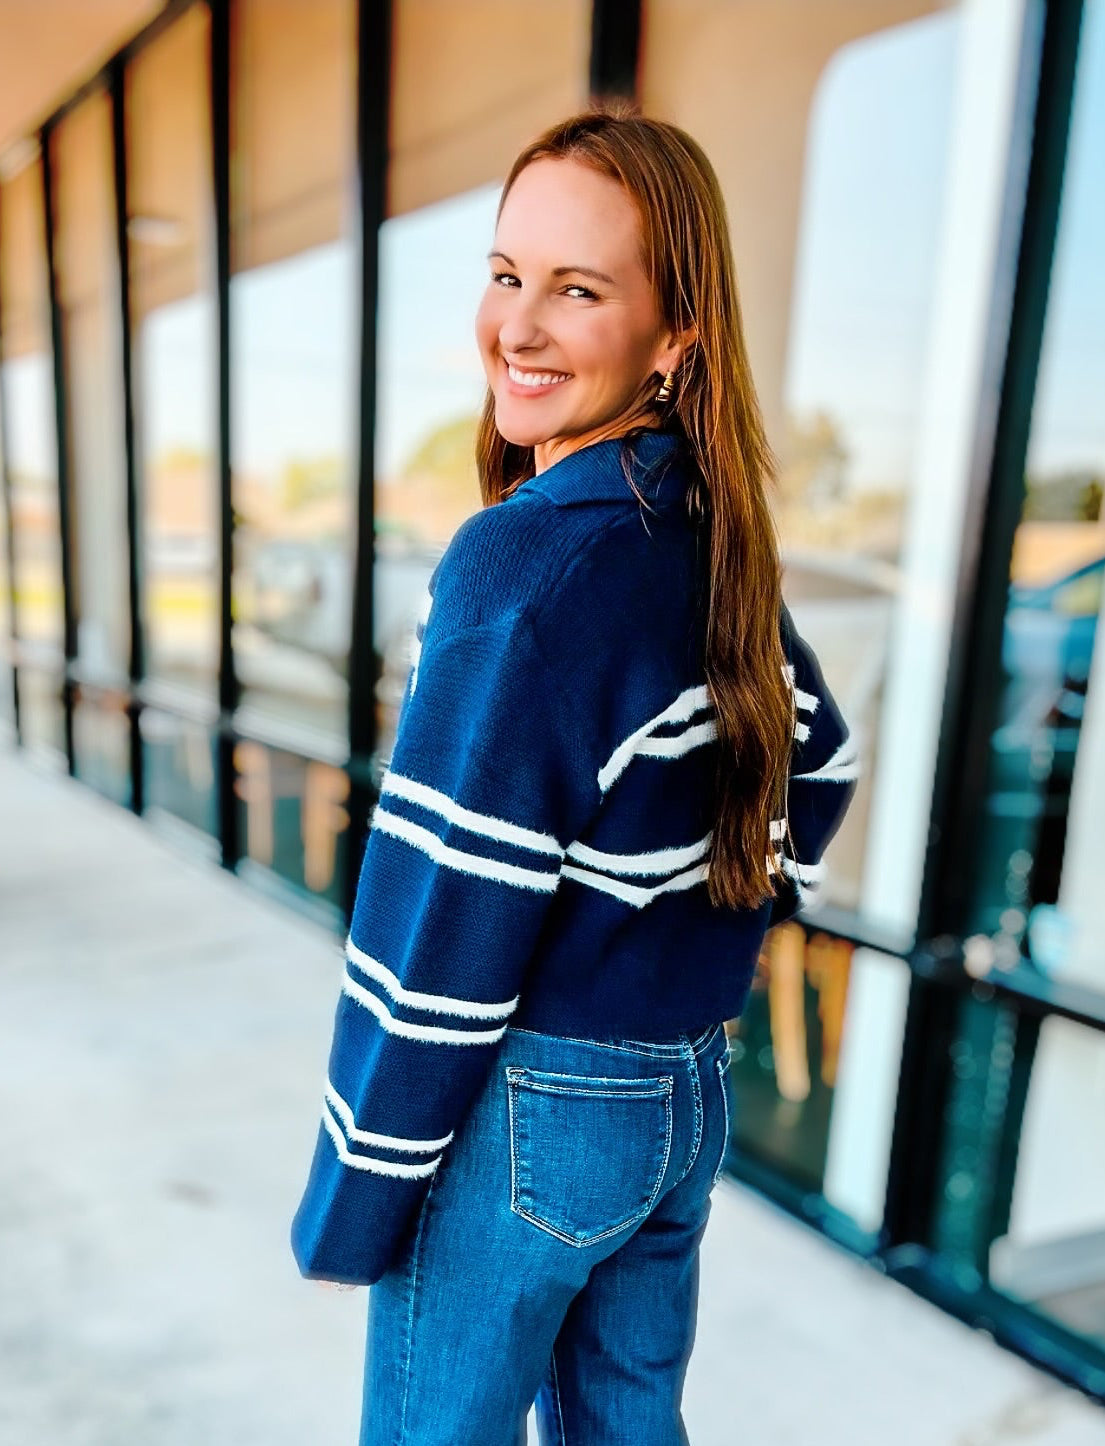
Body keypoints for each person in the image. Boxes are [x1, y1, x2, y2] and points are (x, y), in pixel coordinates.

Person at [290, 101, 859, 1445]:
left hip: (530, 1111)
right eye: (504, 273)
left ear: (673, 338)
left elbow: (443, 918)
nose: (517, 325)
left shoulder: (524, 565)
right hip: (678, 1093)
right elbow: (818, 756)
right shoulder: (703, 534)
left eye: (577, 288)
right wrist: (689, 952)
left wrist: (358, 1183)